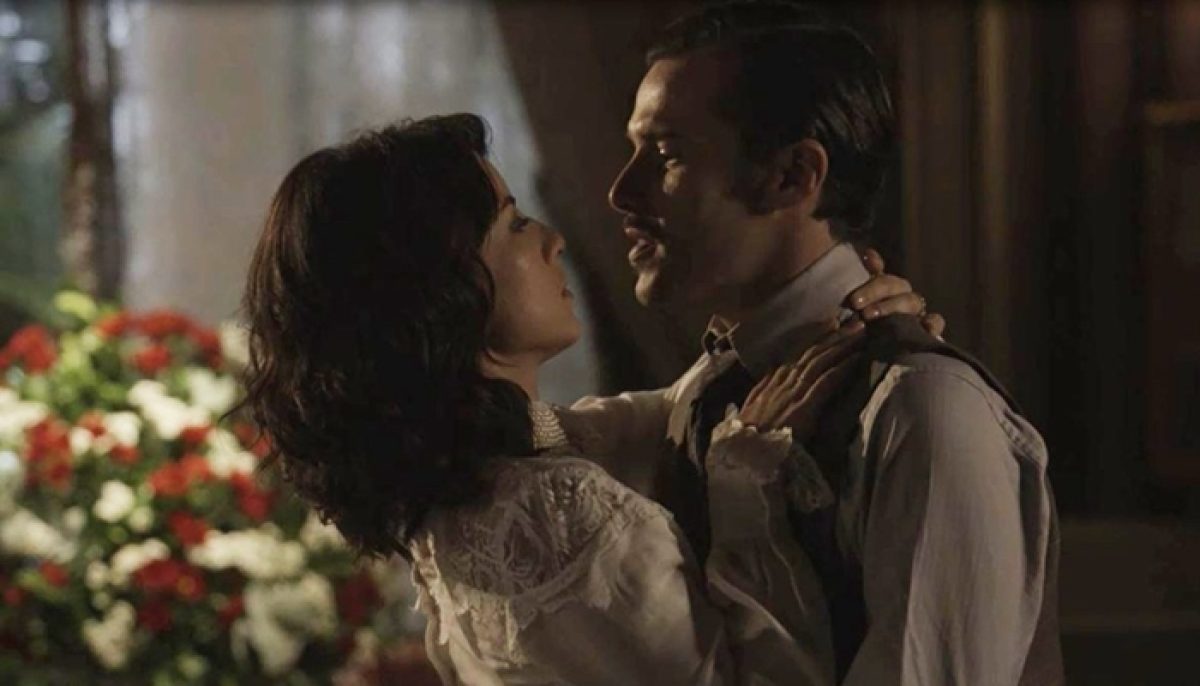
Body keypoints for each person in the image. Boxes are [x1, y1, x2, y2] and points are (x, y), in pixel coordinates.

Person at [239, 113, 936, 685]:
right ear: (443, 289)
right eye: (514, 223)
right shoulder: (547, 510)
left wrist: (829, 315)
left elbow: (663, 411)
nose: (553, 239)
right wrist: (746, 480)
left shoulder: (478, 481)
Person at [587, 2, 1063, 684]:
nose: (619, 191)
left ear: (793, 175)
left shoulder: (924, 412)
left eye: (666, 155)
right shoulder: (704, 394)